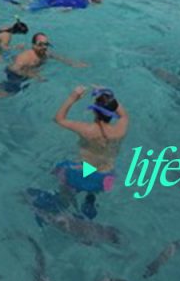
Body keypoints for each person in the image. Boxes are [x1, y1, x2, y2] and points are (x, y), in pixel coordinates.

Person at [50, 86, 129, 217]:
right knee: (93, 188)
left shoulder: (87, 129)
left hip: (83, 173)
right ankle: (90, 199)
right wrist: (108, 95)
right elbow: (124, 115)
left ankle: (64, 203)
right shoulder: (120, 129)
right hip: (105, 179)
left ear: (94, 111)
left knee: (59, 170)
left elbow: (58, 119)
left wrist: (73, 97)